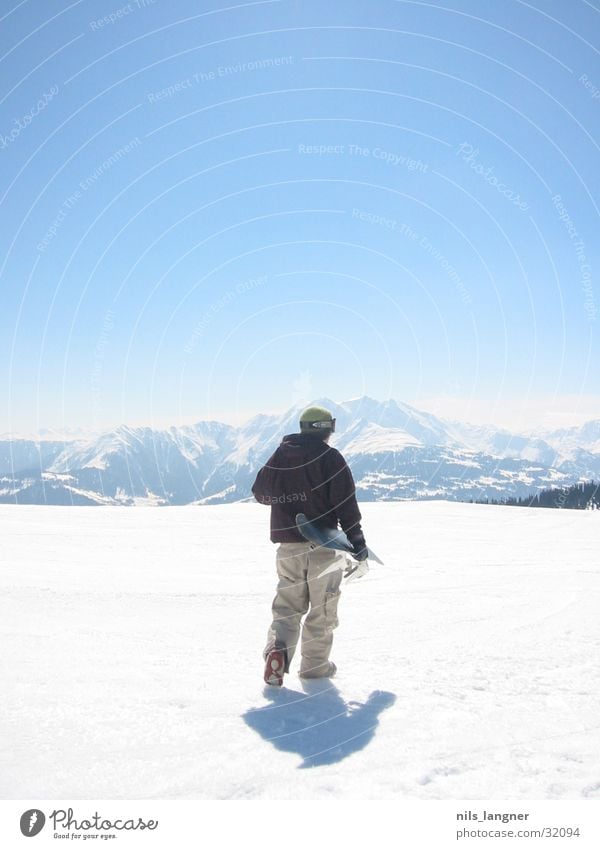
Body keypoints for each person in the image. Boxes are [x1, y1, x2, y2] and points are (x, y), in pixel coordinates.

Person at [252, 405, 369, 686]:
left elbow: (260, 493)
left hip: (287, 548)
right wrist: (358, 544)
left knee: (288, 607)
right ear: (324, 428)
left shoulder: (280, 456)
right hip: (324, 548)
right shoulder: (330, 459)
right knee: (322, 608)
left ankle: (278, 652)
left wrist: (288, 497)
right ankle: (315, 668)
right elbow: (346, 506)